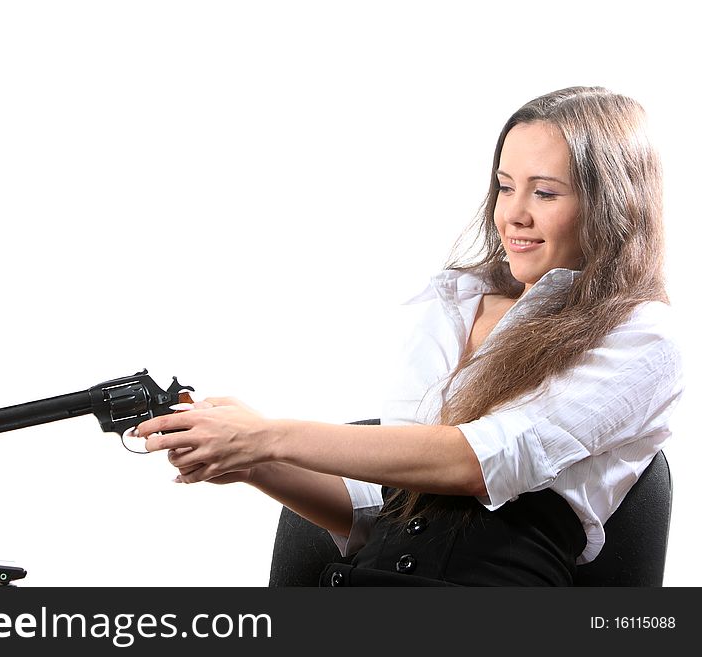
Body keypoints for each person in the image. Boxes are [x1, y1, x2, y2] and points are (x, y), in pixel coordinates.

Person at [135, 86, 684, 586]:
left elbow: (480, 461)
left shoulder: (640, 335)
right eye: (505, 186)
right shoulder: (451, 304)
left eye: (544, 193)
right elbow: (379, 513)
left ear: (613, 204)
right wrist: (254, 464)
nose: (512, 214)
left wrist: (267, 435)